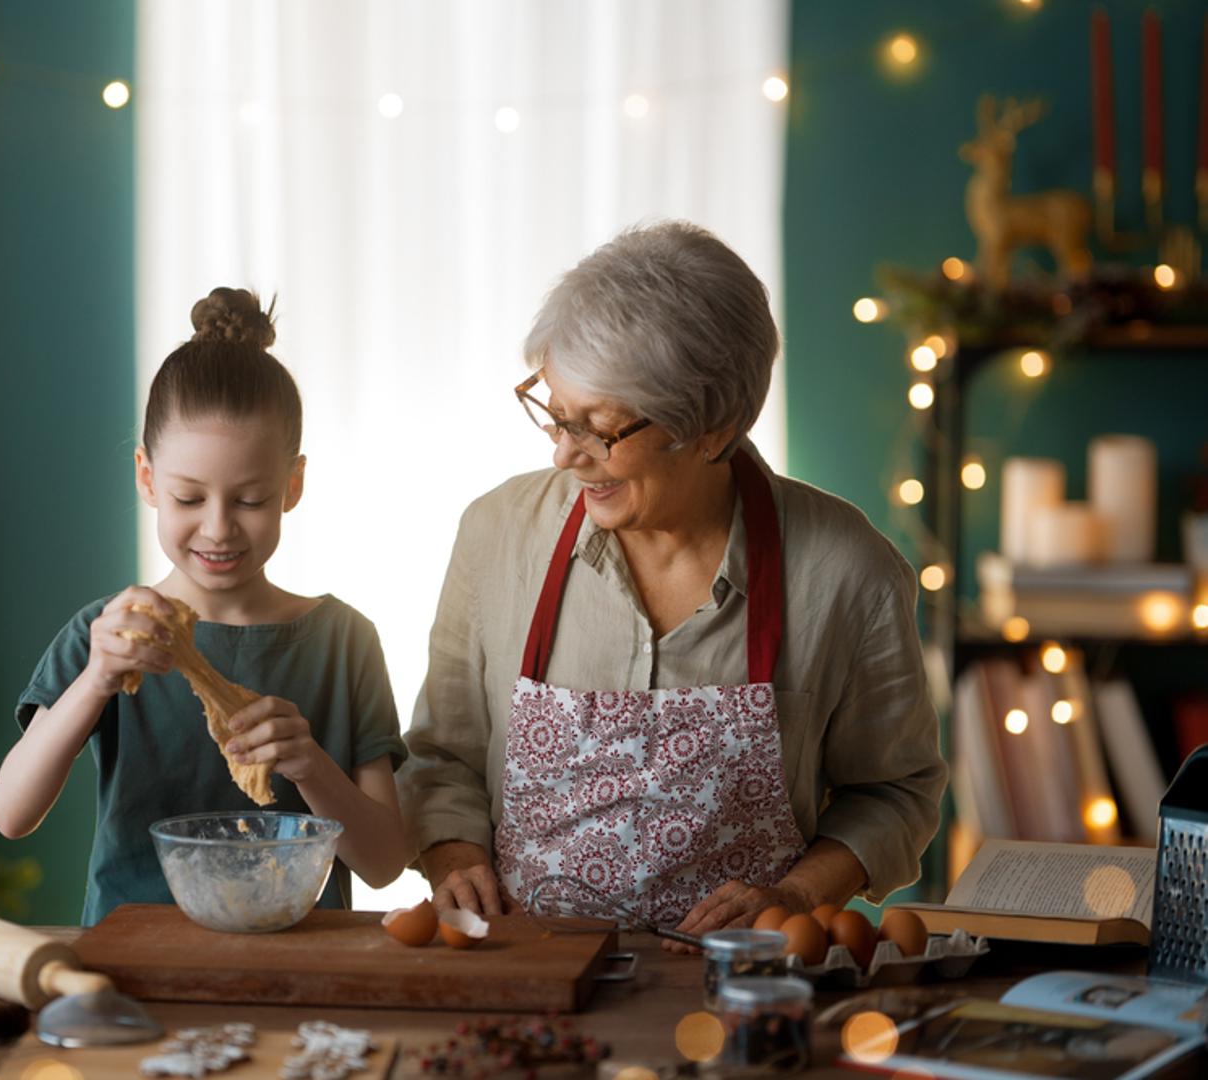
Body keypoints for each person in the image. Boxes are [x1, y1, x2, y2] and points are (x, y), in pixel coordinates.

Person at [398, 222, 947, 948]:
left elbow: (895, 791)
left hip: (737, 982)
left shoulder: (847, 574)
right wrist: (455, 854)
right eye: (556, 415)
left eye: (599, 429)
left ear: (713, 427)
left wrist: (794, 896)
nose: (565, 456)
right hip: (526, 969)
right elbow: (442, 757)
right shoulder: (498, 536)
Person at [0, 287, 410, 925]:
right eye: (189, 498)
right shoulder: (107, 634)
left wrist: (312, 767)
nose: (218, 528)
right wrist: (97, 680)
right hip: (133, 958)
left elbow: (384, 865)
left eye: (249, 500)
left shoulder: (344, 642)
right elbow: (10, 815)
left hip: (303, 958)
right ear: (147, 478)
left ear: (292, 484)